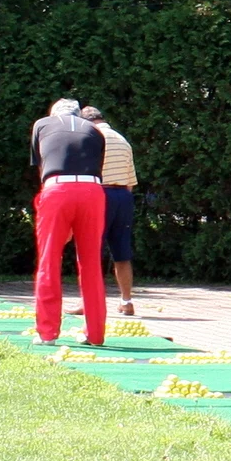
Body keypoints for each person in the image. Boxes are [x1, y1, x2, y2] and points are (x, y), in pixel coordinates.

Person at [29, 97, 108, 346]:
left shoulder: (42, 125)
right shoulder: (96, 132)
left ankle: (47, 332)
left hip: (57, 189)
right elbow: (96, 168)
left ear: (54, 114)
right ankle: (95, 334)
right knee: (90, 263)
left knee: (49, 260)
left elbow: (41, 166)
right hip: (93, 192)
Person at [78, 107, 140, 316]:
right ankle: (126, 301)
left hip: (99, 194)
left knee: (90, 251)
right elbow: (131, 181)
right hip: (123, 196)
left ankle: (89, 302)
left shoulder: (91, 137)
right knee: (122, 252)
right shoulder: (122, 140)